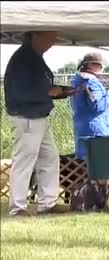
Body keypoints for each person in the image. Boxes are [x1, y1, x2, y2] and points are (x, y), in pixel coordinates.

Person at [3, 31, 71, 216]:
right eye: (49, 39)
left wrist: (60, 92)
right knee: (24, 162)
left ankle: (47, 204)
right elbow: (21, 92)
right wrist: (49, 92)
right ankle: (17, 208)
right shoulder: (23, 59)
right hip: (26, 117)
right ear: (35, 37)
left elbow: (40, 87)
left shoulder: (33, 57)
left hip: (38, 116)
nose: (51, 44)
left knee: (50, 158)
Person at [70, 52, 109, 161]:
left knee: (84, 163)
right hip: (96, 129)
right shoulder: (91, 82)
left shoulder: (77, 80)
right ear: (91, 65)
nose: (101, 68)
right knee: (99, 164)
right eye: (100, 65)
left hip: (83, 127)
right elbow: (97, 106)